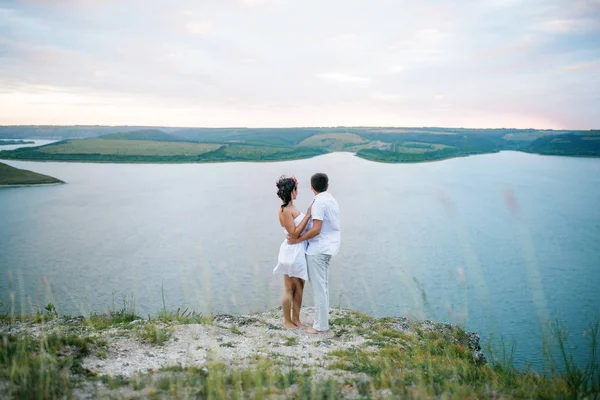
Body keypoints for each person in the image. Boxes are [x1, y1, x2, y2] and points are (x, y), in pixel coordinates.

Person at [288, 173, 340, 334]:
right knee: (322, 286)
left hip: (318, 249)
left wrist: (298, 239)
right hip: (328, 247)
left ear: (311, 187)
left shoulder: (318, 202)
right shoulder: (331, 199)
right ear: (327, 185)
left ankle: (320, 326)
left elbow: (316, 229)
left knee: (319, 289)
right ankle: (322, 322)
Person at [273, 176, 313, 329]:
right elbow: (294, 233)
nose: (298, 192)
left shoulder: (292, 208)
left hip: (298, 249)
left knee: (300, 285)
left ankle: (296, 319)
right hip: (292, 251)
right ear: (291, 191)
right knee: (289, 288)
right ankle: (287, 321)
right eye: (296, 189)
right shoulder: (285, 210)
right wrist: (308, 215)